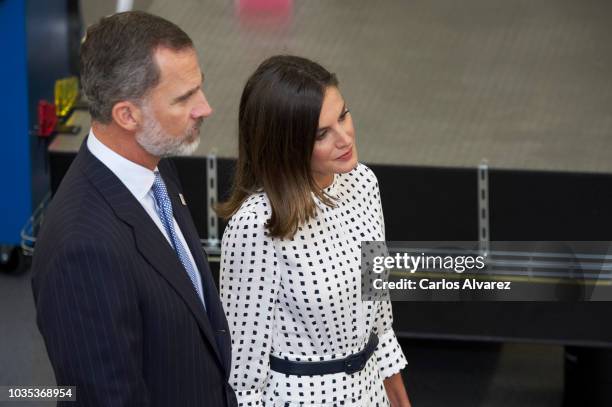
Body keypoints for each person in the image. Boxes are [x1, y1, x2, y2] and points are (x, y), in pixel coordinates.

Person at [31, 11, 237, 407]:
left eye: (200, 89)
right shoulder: (82, 247)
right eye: (184, 98)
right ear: (127, 115)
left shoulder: (158, 164)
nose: (205, 108)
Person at [218, 55, 411, 406]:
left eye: (344, 115)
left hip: (372, 393)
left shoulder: (363, 182)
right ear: (285, 144)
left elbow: (381, 322)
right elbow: (243, 379)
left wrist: (398, 398)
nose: (345, 137)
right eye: (322, 133)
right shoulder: (255, 226)